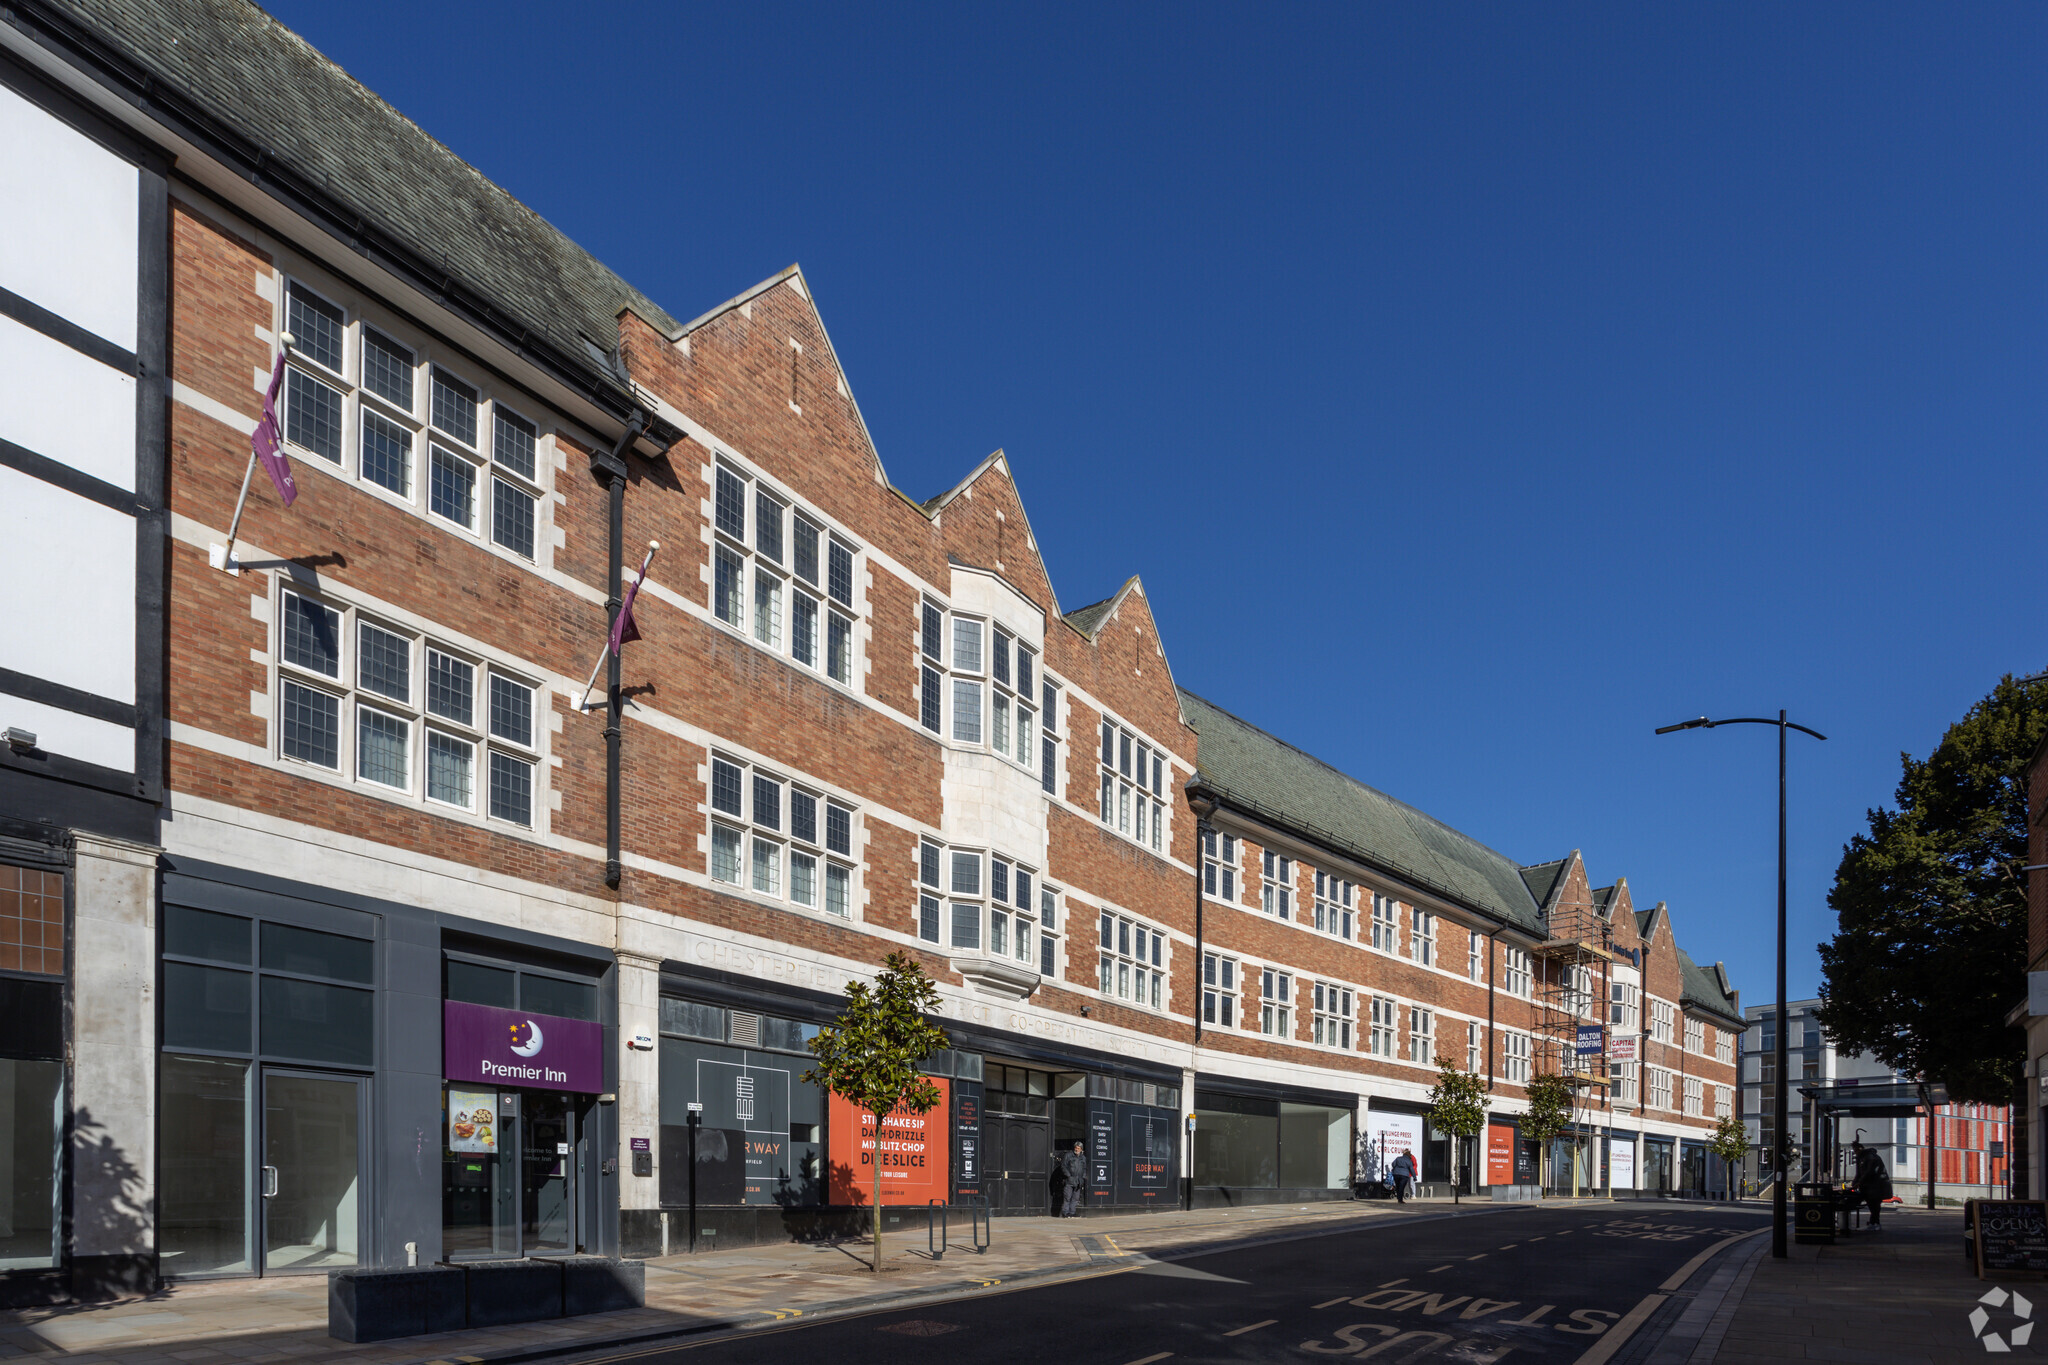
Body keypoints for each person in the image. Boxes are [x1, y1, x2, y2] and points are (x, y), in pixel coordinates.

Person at [1850, 1138, 1890, 1230]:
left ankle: (1875, 1223)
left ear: (1860, 1149)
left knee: (1874, 1205)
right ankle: (1874, 1223)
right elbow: (1859, 1173)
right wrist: (1855, 1183)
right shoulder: (1863, 1158)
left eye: (1856, 1150)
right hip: (1870, 1186)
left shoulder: (1870, 1157)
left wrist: (1858, 1183)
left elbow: (1869, 1172)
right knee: (1873, 1205)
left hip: (1875, 1186)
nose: (1855, 1153)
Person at [1055, 1140, 1087, 1218]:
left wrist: (1083, 1178)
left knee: (1075, 1198)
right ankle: (1065, 1213)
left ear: (1081, 1149)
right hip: (1069, 1180)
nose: (1077, 1149)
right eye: (1076, 1148)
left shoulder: (1083, 1158)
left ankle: (1072, 1212)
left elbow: (1084, 1168)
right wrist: (1068, 1176)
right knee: (1067, 1197)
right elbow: (1063, 1166)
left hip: (1078, 1181)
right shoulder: (1068, 1155)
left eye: (1079, 1148)